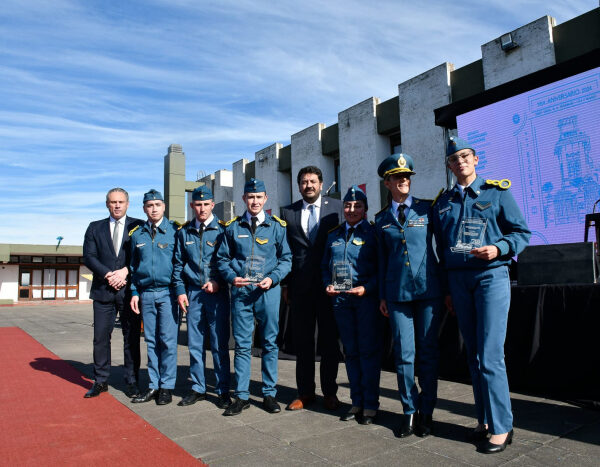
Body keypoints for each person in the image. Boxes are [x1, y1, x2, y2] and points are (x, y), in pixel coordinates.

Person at [433, 136, 530, 454]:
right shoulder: (443, 202)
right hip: (459, 282)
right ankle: (485, 420)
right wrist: (447, 289)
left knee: (490, 356)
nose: (460, 161)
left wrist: (499, 248)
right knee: (474, 356)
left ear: (476, 160)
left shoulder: (496, 192)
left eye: (465, 156)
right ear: (449, 166)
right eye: (454, 159)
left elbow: (521, 233)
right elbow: (442, 249)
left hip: (491, 277)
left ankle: (503, 426)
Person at [375, 154, 443, 438]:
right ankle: (409, 412)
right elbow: (381, 260)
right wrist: (382, 295)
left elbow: (445, 246)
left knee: (427, 353)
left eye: (407, 176)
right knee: (404, 355)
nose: (404, 180)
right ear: (387, 182)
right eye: (397, 177)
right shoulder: (381, 219)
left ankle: (427, 411)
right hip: (397, 293)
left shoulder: (428, 209)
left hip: (429, 290)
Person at [216, 178, 292, 416]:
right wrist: (231, 278)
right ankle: (241, 396)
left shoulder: (277, 227)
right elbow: (222, 259)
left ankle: (269, 394)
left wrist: (274, 278)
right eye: (251, 197)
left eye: (259, 197)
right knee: (242, 345)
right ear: (244, 200)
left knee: (269, 344)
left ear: (266, 199)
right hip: (242, 293)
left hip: (267, 292)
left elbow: (286, 259)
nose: (255, 201)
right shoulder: (233, 227)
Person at [280, 166, 343, 411]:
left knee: (329, 343)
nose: (309, 185)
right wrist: (285, 285)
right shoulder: (288, 212)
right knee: (303, 343)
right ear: (299, 186)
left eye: (313, 181)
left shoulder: (338, 208)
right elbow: (283, 251)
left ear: (321, 183)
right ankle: (305, 393)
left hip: (330, 286)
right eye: (304, 182)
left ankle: (330, 393)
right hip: (300, 288)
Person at [322, 186, 381, 425]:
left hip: (365, 300)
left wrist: (368, 288)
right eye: (348, 205)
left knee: (368, 352)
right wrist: (327, 284)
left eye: (357, 206)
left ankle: (370, 405)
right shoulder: (333, 235)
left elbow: (382, 269)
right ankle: (356, 402)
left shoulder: (374, 234)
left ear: (365, 209)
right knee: (351, 353)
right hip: (341, 301)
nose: (352, 209)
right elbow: (325, 267)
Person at [173, 185, 231, 409]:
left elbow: (230, 262)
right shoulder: (184, 232)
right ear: (191, 206)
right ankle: (198, 388)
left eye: (206, 204)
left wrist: (219, 281)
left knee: (219, 345)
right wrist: (180, 291)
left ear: (212, 205)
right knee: (195, 344)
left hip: (217, 294)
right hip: (194, 294)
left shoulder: (224, 230)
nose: (202, 208)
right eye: (198, 204)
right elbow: (177, 265)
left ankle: (223, 390)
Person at [83, 187, 143, 398]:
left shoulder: (139, 226)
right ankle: (100, 381)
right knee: (100, 338)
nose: (117, 205)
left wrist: (126, 271)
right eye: (112, 202)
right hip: (102, 291)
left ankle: (132, 381)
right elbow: (89, 257)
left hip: (129, 293)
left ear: (127, 204)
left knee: (131, 338)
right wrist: (109, 275)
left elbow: (142, 256)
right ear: (107, 204)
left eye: (120, 202)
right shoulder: (94, 228)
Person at [129, 189, 179, 406]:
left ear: (164, 207)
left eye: (158, 204)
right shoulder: (137, 235)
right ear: (144, 209)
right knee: (151, 342)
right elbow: (132, 267)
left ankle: (166, 387)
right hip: (146, 294)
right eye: (150, 205)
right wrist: (133, 292)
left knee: (167, 342)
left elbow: (179, 264)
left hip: (168, 294)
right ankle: (153, 385)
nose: (154, 209)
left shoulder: (174, 232)